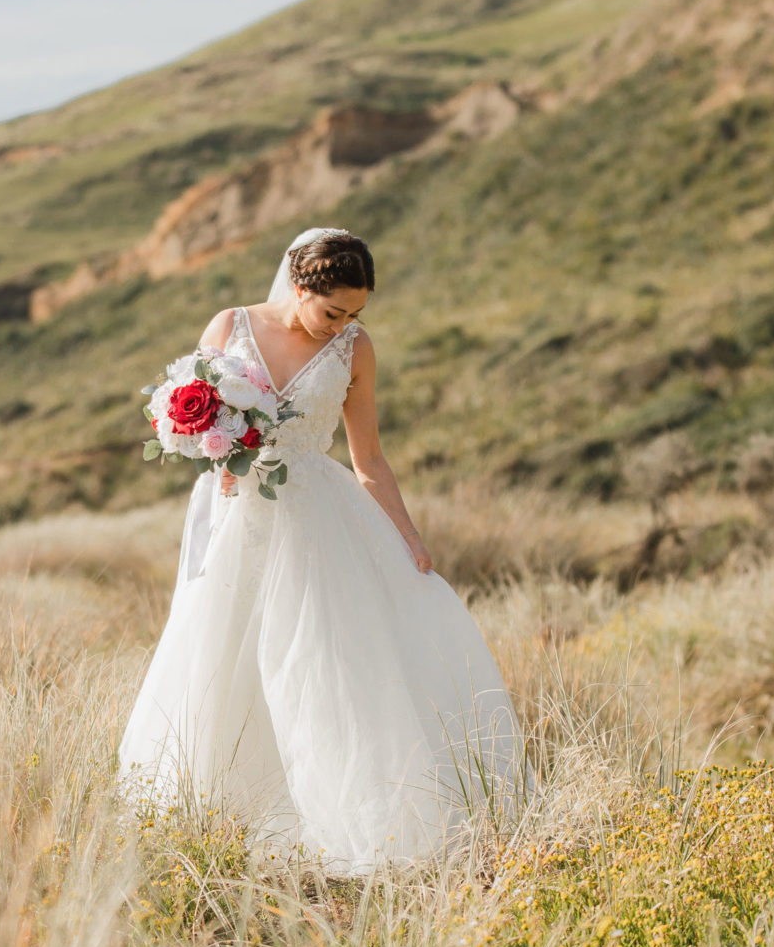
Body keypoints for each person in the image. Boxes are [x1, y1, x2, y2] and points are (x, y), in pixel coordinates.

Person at [119, 227, 527, 873]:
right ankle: (212, 816)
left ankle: (346, 812)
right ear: (299, 283)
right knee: (219, 653)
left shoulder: (355, 352)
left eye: (355, 314)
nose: (343, 324)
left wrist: (408, 535)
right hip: (237, 519)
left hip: (316, 521)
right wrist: (213, 445)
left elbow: (369, 459)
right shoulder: (230, 326)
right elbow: (188, 424)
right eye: (333, 310)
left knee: (318, 660)